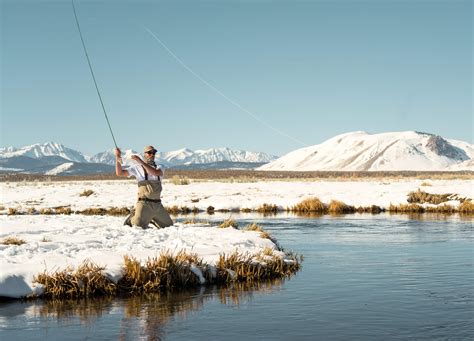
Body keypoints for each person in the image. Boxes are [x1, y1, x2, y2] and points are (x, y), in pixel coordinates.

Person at [115, 145, 173, 228]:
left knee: (169, 226)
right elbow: (119, 173)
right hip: (144, 203)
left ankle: (150, 218)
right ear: (144, 154)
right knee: (137, 225)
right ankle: (131, 219)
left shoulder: (160, 167)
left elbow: (156, 173)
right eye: (149, 153)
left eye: (153, 152)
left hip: (157, 204)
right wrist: (117, 157)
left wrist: (140, 161)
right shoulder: (137, 168)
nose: (152, 154)